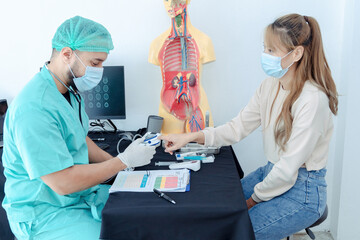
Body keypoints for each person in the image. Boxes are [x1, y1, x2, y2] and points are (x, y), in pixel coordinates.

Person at [159, 13, 338, 239]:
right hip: (272, 172)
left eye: (272, 50)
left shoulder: (312, 100)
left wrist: (252, 201)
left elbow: (288, 169)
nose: (265, 55)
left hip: (303, 191)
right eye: (265, 48)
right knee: (216, 210)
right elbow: (237, 128)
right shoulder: (270, 86)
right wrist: (191, 136)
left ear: (297, 53)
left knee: (236, 231)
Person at [2, 16, 156, 240]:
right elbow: (62, 182)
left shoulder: (68, 91)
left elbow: (79, 137)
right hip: (43, 213)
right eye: (95, 63)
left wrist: (123, 166)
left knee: (141, 215)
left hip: (77, 196)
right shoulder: (33, 108)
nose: (100, 70)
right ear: (67, 54)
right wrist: (122, 162)